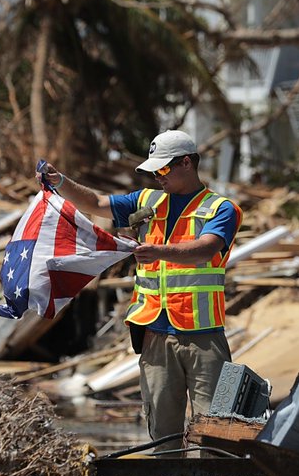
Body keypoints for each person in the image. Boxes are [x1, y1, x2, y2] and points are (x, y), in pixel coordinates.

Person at [39, 131, 242, 452]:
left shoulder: (221, 208)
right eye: (154, 170)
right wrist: (60, 181)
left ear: (186, 163)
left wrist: (157, 251)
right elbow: (96, 203)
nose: (157, 176)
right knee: (162, 432)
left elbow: (205, 249)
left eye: (163, 169)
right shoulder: (147, 200)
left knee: (215, 431)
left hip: (203, 335)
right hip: (154, 333)